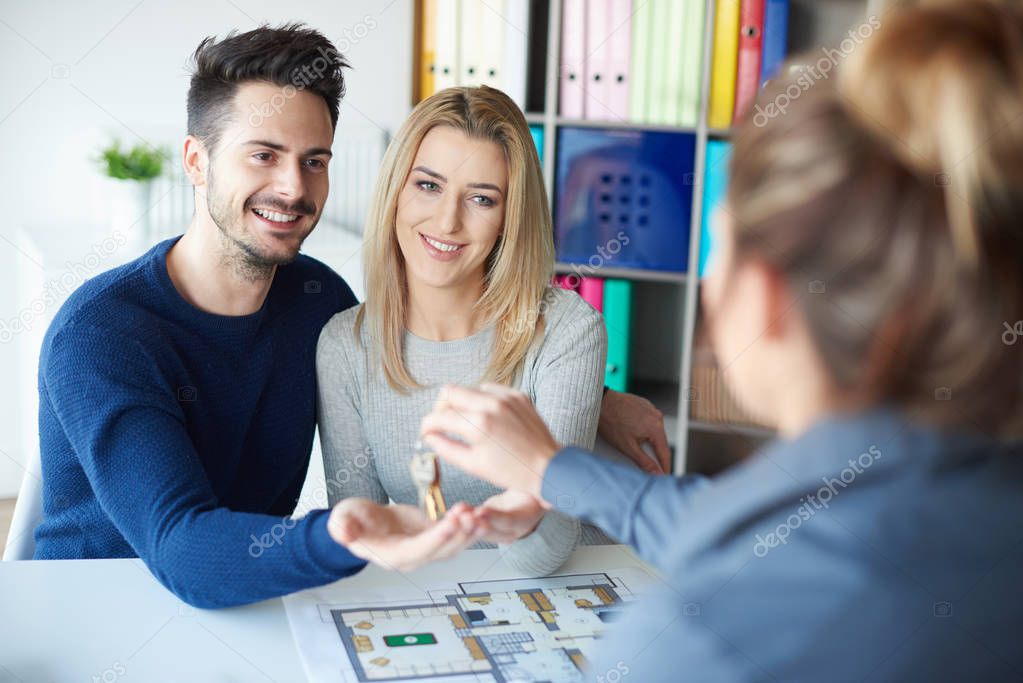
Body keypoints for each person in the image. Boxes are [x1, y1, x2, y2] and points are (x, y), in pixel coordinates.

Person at [418, 1, 1023, 679]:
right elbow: (760, 531)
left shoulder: (707, 640)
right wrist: (553, 468)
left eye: (716, 241)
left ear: (761, 295)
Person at [33, 24, 670, 607]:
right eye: (263, 154)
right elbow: (182, 548)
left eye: (315, 160)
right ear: (196, 161)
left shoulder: (315, 301)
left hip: (254, 604)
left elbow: (442, 348)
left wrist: (597, 400)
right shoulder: (103, 335)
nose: (292, 187)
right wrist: (344, 539)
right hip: (103, 608)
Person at [317, 85, 617, 576]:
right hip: (435, 591)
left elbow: (550, 550)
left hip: (571, 586)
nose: (447, 221)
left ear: (508, 219)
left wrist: (509, 519)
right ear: (395, 190)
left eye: (481, 198)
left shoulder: (568, 330)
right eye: (428, 186)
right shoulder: (343, 345)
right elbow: (365, 544)